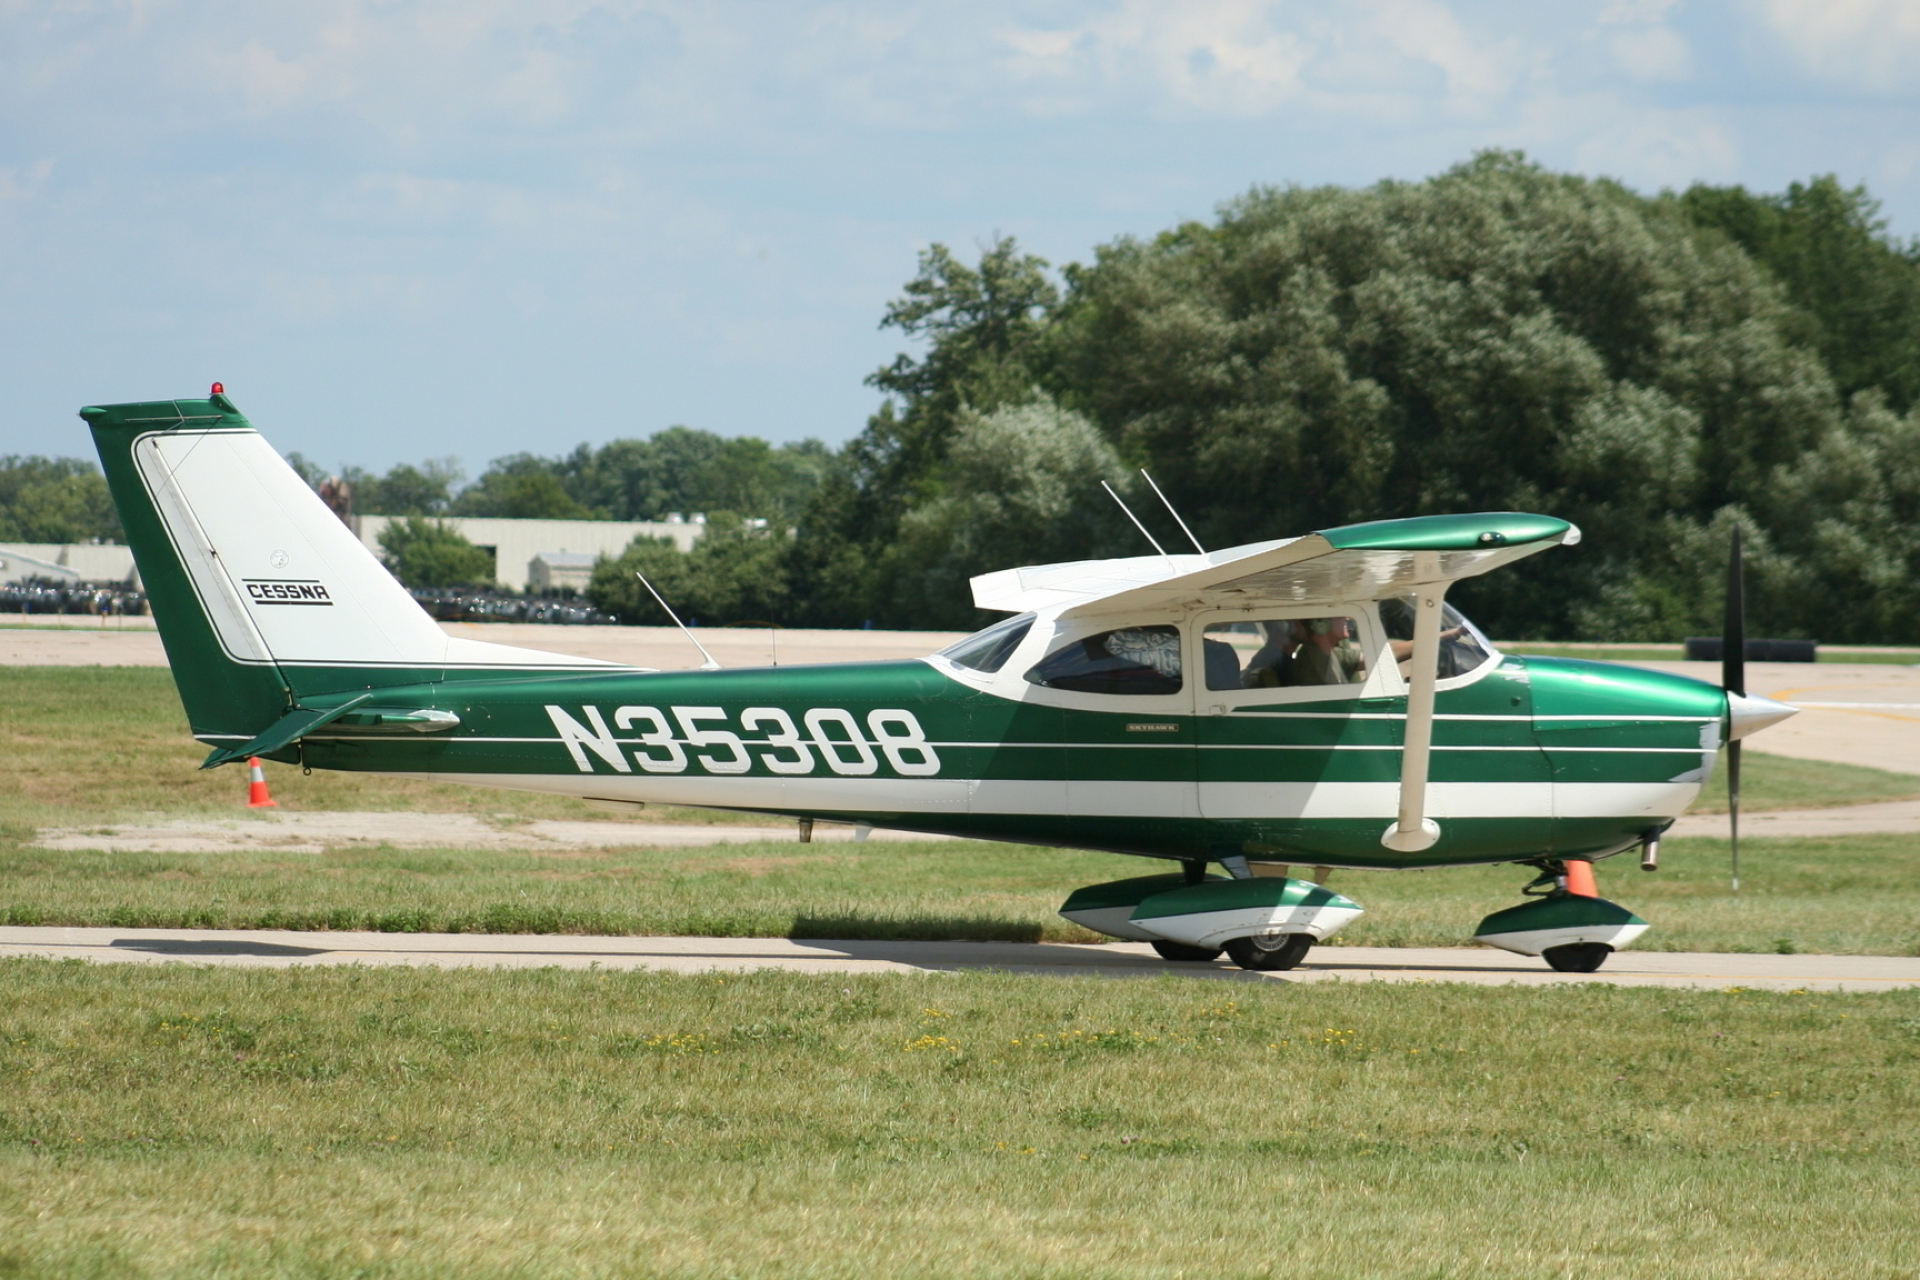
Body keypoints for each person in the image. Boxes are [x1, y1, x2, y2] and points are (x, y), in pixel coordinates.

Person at [1289, 617, 1366, 685]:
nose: (1346, 618)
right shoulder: (1312, 663)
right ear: (1321, 624)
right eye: (1339, 617)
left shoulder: (1328, 652)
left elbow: (1367, 658)